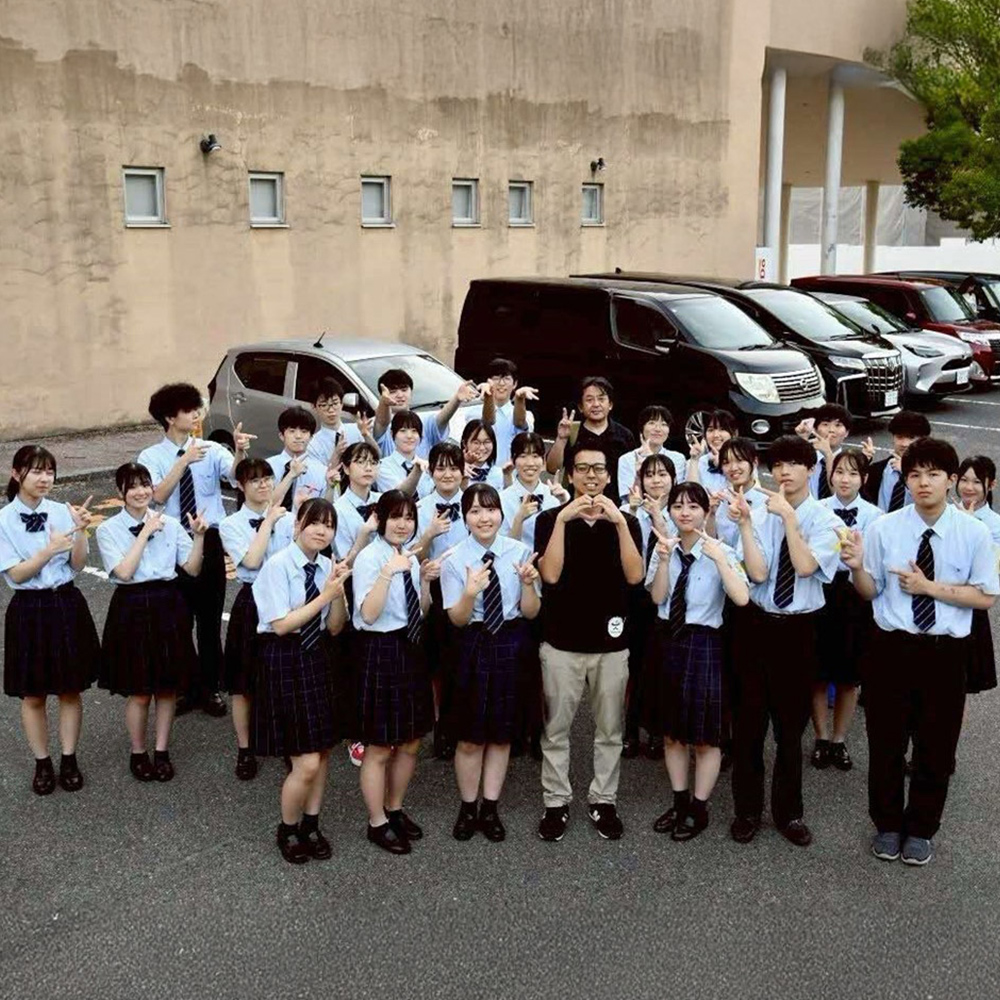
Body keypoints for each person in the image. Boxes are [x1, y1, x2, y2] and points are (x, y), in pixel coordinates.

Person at [841, 438, 998, 866]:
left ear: (951, 479)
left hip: (945, 652)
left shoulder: (974, 532)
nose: (923, 482)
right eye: (914, 474)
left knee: (936, 746)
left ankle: (923, 827)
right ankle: (888, 824)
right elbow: (870, 591)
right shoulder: (884, 528)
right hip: (891, 648)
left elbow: (985, 596)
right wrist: (856, 567)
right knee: (886, 742)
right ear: (904, 479)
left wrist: (929, 588)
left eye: (933, 474)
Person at [729, 435, 841, 847]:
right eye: (777, 465)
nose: (784, 472)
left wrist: (790, 520)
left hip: (799, 630)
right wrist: (744, 523)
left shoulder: (827, 520)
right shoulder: (758, 513)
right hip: (756, 625)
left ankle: (789, 813)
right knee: (748, 725)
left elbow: (807, 565)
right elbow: (757, 575)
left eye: (794, 464)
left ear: (811, 470)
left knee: (790, 730)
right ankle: (746, 810)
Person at [534, 445, 644, 842]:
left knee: (610, 729)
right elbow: (549, 574)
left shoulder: (627, 521)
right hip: (562, 641)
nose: (591, 476)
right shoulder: (549, 519)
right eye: (582, 469)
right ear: (570, 475)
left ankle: (604, 799)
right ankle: (556, 801)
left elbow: (636, 576)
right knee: (556, 728)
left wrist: (617, 524)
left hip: (612, 643)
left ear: (610, 476)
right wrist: (564, 520)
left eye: (599, 469)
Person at [138, 382, 252, 718]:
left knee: (209, 616)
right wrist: (183, 461)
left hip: (210, 538)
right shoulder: (151, 456)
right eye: (190, 410)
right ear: (170, 417)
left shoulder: (211, 449)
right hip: (172, 541)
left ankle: (211, 687)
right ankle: (186, 686)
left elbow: (235, 476)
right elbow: (156, 495)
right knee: (178, 619)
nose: (197, 415)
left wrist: (240, 450)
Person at [647, 483, 749, 841]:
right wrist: (661, 561)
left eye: (693, 506)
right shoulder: (665, 548)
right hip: (670, 639)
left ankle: (699, 807)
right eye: (678, 506)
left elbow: (741, 598)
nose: (685, 512)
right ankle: (678, 801)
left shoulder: (722, 550)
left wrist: (720, 559)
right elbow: (657, 597)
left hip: (705, 642)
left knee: (706, 736)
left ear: (707, 512)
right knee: (673, 732)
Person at [252, 498, 351, 864]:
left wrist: (337, 592)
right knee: (305, 761)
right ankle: (288, 827)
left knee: (322, 753)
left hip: (317, 657)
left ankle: (312, 823)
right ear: (298, 525)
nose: (322, 530)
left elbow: (335, 626)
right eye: (315, 523)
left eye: (329, 525)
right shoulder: (278, 566)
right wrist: (325, 594)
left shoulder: (326, 566)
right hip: (285, 658)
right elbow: (280, 625)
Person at [96, 463, 208, 782]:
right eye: (133, 486)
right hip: (131, 606)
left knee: (167, 686)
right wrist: (145, 532)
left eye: (145, 484)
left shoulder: (171, 524)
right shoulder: (107, 531)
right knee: (140, 690)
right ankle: (137, 751)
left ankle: (161, 750)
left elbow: (192, 568)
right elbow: (125, 572)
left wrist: (199, 538)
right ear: (120, 493)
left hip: (168, 602)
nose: (141, 491)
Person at [441, 484, 541, 841]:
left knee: (501, 734)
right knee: (469, 736)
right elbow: (456, 618)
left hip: (512, 641)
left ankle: (491, 807)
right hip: (473, 641)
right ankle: (468, 807)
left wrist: (529, 584)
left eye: (491, 509)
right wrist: (469, 593)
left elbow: (530, 612)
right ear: (465, 518)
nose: (484, 518)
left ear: (501, 512)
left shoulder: (519, 551)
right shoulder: (455, 559)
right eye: (475, 511)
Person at [0, 446, 100, 796]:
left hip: (66, 602)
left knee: (71, 688)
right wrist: (47, 550)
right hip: (29, 608)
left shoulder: (62, 511)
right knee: (33, 695)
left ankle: (69, 758)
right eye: (36, 471)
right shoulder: (3, 521)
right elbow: (16, 573)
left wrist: (80, 533)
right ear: (17, 474)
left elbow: (76, 565)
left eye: (50, 472)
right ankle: (42, 762)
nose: (45, 479)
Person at [352, 491, 439, 854]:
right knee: (379, 745)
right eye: (396, 517)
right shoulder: (370, 559)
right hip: (379, 649)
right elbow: (369, 614)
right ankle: (376, 822)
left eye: (409, 518)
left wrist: (424, 582)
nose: (403, 524)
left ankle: (395, 807)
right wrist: (388, 573)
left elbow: (419, 612)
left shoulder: (409, 558)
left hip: (409, 647)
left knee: (411, 740)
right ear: (381, 517)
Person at [218, 459, 293, 781]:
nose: (263, 485)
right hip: (252, 599)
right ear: (240, 485)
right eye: (255, 480)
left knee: (284, 677)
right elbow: (249, 561)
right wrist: (266, 523)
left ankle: (288, 744)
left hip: (287, 599)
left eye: (267, 479)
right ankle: (245, 748)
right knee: (243, 683)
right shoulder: (231, 524)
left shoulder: (288, 520)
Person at [812, 449, 881, 771]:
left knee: (849, 676)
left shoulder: (876, 516)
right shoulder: (817, 510)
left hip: (855, 594)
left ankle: (839, 739)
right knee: (817, 670)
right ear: (830, 475)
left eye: (853, 473)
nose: (845, 479)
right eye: (839, 472)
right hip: (821, 590)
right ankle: (821, 736)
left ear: (864, 479)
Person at [415, 441, 470, 759]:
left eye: (453, 467)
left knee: (465, 660)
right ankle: (440, 727)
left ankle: (460, 722)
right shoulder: (421, 508)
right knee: (437, 664)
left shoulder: (475, 503)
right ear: (431, 472)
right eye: (441, 467)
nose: (447, 473)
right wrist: (429, 535)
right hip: (434, 590)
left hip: (467, 589)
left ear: (463, 472)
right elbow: (411, 555)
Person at [621, 452, 677, 759]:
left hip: (666, 594)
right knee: (632, 665)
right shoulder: (628, 510)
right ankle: (629, 729)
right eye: (650, 475)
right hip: (634, 596)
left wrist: (659, 517)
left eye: (662, 474)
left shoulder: (681, 511)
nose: (656, 480)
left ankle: (657, 730)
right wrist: (634, 510)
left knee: (661, 665)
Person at [332, 440, 384, 769]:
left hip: (383, 582)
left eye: (372, 462)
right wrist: (364, 535)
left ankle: (377, 728)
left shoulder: (383, 501)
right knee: (353, 661)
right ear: (346, 468)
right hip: (352, 586)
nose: (367, 468)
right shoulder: (337, 510)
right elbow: (343, 562)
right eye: (360, 462)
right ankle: (355, 735)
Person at [545, 377, 636, 500]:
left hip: (614, 506)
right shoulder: (572, 431)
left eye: (601, 399)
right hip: (575, 503)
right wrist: (561, 439)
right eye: (589, 400)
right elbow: (552, 469)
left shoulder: (624, 435)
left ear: (610, 405)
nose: (596, 404)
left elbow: (631, 474)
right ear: (581, 407)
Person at [954, 455, 1000, 695]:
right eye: (963, 480)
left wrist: (970, 531)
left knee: (960, 684)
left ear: (990, 485)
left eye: (976, 482)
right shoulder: (945, 512)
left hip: (971, 609)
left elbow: (989, 575)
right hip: (935, 603)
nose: (968, 487)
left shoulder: (995, 526)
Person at [372, 367, 479, 459]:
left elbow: (441, 420)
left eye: (404, 390)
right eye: (393, 391)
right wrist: (384, 403)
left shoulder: (423, 420)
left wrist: (456, 399)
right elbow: (382, 423)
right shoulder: (381, 425)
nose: (400, 395)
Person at [500, 431, 567, 551]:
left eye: (535, 456)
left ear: (543, 461)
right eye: (523, 456)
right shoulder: (502, 499)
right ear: (513, 460)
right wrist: (519, 519)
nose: (530, 463)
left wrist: (564, 503)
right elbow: (503, 548)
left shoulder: (556, 496)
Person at [862, 410, 932, 512]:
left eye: (911, 438)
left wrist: (907, 472)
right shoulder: (877, 470)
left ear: (924, 439)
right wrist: (861, 463)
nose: (904, 444)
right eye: (899, 437)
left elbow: (930, 504)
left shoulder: (932, 473)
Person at [266, 406, 333, 512]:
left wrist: (331, 487)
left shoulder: (322, 471)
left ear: (311, 437)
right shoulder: (267, 466)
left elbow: (328, 508)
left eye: (304, 431)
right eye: (292, 431)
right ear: (282, 436)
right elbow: (264, 504)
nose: (298, 436)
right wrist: (291, 475)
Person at [617, 405, 687, 505]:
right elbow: (632, 498)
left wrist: (651, 458)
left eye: (663, 424)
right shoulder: (627, 459)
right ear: (642, 428)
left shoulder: (678, 458)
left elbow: (675, 494)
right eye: (652, 423)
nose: (658, 429)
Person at [472, 358, 536, 465]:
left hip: (512, 475)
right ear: (488, 381)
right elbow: (487, 421)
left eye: (507, 379)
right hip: (482, 475)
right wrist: (489, 397)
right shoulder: (474, 412)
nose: (501, 383)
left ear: (515, 384)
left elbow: (520, 423)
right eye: (496, 378)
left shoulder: (527, 415)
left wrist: (520, 399)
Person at [306, 375, 376, 467]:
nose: (331, 410)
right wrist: (336, 454)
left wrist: (367, 436)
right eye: (324, 405)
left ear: (342, 403)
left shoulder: (357, 429)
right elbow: (319, 477)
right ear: (314, 407)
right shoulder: (313, 444)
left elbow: (378, 457)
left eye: (335, 403)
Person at [712, 438, 769, 549]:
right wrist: (711, 514)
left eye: (739, 460)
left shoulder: (766, 503)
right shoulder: (720, 499)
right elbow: (712, 539)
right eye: (726, 462)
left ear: (755, 462)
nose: (733, 468)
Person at [796, 403, 854, 500]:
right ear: (815, 429)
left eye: (838, 425)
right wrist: (802, 440)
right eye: (825, 424)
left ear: (847, 432)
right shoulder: (808, 458)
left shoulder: (851, 462)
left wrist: (828, 455)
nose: (831, 430)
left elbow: (840, 497)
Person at [375, 410, 434, 498]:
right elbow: (399, 497)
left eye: (414, 431)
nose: (409, 436)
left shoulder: (427, 467)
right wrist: (417, 471)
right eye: (403, 431)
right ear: (392, 434)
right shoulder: (382, 466)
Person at [687, 409, 737, 495]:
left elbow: (747, 493)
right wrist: (694, 460)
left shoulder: (744, 460)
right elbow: (690, 495)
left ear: (734, 433)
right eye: (710, 430)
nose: (716, 435)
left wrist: (723, 466)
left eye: (722, 429)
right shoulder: (696, 462)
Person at [461, 419, 506, 491]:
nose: (482, 448)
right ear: (464, 443)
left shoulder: (500, 474)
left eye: (487, 442)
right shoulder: (455, 473)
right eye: (476, 442)